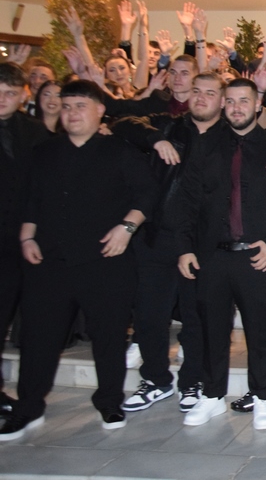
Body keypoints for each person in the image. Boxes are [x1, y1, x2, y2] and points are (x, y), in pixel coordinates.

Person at [0, 80, 157, 441]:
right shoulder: (44, 151)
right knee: (38, 337)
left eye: (80, 106)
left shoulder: (120, 151)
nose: (71, 113)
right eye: (67, 106)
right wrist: (27, 236)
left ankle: (110, 401)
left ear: (100, 111)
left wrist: (126, 228)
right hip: (49, 261)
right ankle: (29, 407)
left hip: (105, 260)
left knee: (109, 336)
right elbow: (31, 199)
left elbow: (147, 194)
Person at [174, 79, 266, 431]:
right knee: (211, 330)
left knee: (263, 331)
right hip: (212, 257)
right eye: (230, 101)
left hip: (259, 256)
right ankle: (212, 395)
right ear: (222, 104)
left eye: (243, 100)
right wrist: (184, 248)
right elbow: (187, 201)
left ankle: (263, 396)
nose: (236, 108)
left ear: (258, 103)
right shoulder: (205, 147)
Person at [113, 72, 227, 416]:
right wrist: (155, 139)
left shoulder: (229, 138)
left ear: (222, 100)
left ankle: (192, 381)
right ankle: (155, 379)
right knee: (150, 315)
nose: (201, 98)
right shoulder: (168, 126)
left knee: (196, 317)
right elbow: (122, 123)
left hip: (202, 243)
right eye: (197, 91)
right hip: (157, 237)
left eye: (210, 93)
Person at [0, 64, 50, 413]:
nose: (2, 100)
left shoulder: (34, 131)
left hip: (26, 241)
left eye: (10, 94)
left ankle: (28, 396)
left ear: (23, 95)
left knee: (30, 321)